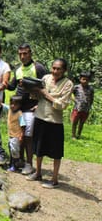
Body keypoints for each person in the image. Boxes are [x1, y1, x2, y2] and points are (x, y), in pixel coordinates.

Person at [26, 58, 73, 189]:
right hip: (40, 116)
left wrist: (47, 95)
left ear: (64, 70)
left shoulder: (68, 84)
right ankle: (38, 172)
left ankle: (54, 179)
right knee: (38, 147)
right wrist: (30, 88)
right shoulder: (46, 78)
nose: (55, 71)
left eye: (59, 69)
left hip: (54, 121)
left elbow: (62, 105)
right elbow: (37, 96)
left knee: (56, 151)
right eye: (54, 68)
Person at [7, 43, 46, 175]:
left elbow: (45, 87)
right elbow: (13, 86)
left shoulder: (38, 68)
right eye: (20, 54)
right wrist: (3, 83)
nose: (22, 56)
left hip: (31, 109)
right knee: (19, 137)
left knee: (28, 137)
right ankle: (20, 161)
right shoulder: (17, 70)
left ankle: (29, 164)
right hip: (18, 109)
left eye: (25, 53)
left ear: (30, 54)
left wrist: (39, 104)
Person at [71, 72, 94, 139]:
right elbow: (70, 94)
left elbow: (92, 98)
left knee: (81, 123)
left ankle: (79, 134)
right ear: (80, 79)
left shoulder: (91, 89)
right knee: (75, 122)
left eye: (87, 80)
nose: (85, 81)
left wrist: (90, 105)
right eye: (83, 79)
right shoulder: (76, 87)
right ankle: (73, 135)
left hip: (86, 109)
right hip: (77, 108)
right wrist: (74, 100)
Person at [6, 95, 26, 172]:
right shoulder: (10, 110)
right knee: (11, 150)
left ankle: (15, 165)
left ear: (19, 105)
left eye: (15, 104)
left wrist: (21, 136)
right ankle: (12, 164)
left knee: (15, 151)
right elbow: (2, 105)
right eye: (11, 103)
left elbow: (23, 125)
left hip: (16, 136)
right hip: (11, 135)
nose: (12, 106)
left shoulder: (19, 113)